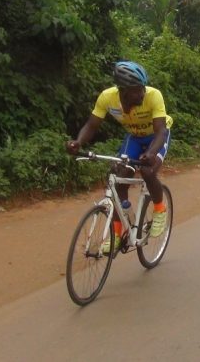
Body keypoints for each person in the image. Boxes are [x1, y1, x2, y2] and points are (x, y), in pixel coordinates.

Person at [66, 61, 173, 253]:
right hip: (134, 138)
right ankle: (117, 232)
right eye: (136, 90)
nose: (142, 93)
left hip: (156, 137)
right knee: (117, 177)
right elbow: (91, 125)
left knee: (148, 171)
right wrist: (78, 143)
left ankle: (159, 209)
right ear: (123, 91)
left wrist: (150, 154)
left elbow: (161, 132)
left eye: (142, 88)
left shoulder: (153, 95)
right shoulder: (107, 98)